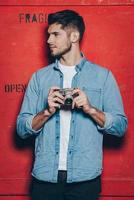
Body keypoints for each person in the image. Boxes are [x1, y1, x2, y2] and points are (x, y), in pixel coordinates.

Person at [17, 9, 128, 200]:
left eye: (55, 34)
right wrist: (47, 111)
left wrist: (91, 109)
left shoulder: (103, 77)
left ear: (74, 36)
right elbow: (21, 129)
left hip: (85, 180)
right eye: (48, 35)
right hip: (45, 180)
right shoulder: (39, 78)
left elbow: (120, 127)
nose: (48, 40)